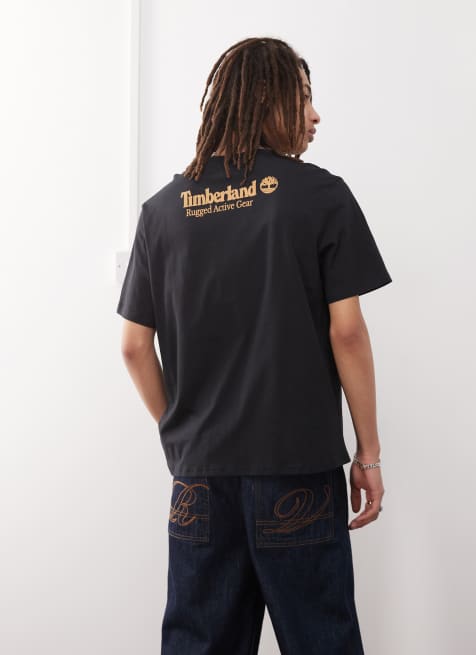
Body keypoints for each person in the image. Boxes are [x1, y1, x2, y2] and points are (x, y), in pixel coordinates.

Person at [117, 35, 392, 655]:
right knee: (321, 641)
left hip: (199, 478)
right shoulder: (319, 194)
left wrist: (184, 436)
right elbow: (347, 330)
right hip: (297, 469)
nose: (315, 115)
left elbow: (134, 346)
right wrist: (368, 454)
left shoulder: (162, 211)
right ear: (266, 100)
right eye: (303, 97)